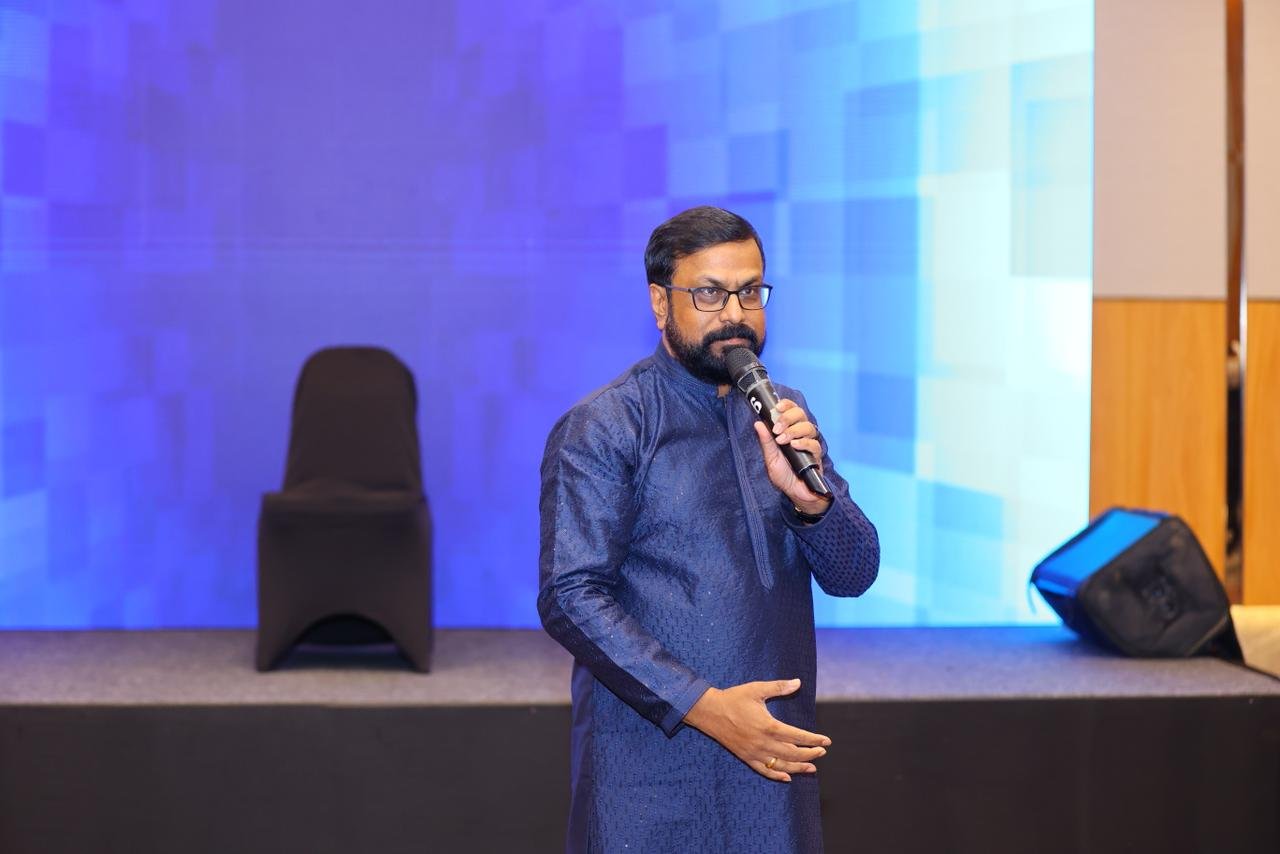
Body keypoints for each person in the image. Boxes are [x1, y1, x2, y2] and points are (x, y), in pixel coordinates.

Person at [538, 206, 880, 853]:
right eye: (710, 294)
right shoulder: (609, 424)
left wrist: (812, 503)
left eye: (750, 292)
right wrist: (703, 706)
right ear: (659, 303)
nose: (735, 314)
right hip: (650, 762)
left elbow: (854, 573)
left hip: (772, 759)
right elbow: (570, 596)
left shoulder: (783, 413)